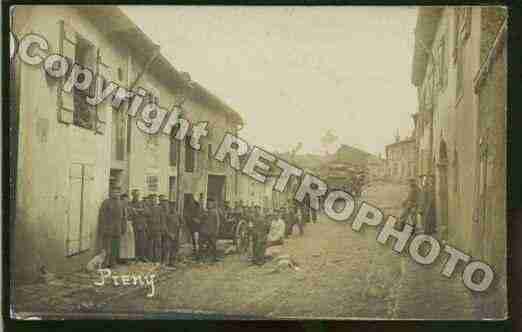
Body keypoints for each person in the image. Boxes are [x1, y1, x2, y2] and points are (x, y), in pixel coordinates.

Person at [98, 186, 126, 268]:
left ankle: (113, 263)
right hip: (108, 229)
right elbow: (102, 217)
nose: (116, 194)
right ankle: (105, 263)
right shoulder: (106, 203)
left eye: (118, 192)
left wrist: (123, 228)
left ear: (120, 193)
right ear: (111, 193)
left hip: (117, 229)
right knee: (106, 247)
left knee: (115, 247)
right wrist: (102, 229)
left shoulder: (121, 204)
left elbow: (124, 217)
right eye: (114, 192)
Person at [200, 198, 220, 262]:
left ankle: (215, 257)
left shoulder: (215, 212)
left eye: (210, 203)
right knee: (202, 244)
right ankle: (202, 257)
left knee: (213, 245)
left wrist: (216, 230)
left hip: (212, 231)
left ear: (212, 204)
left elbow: (217, 222)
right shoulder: (205, 212)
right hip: (205, 231)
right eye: (208, 203)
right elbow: (201, 220)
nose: (209, 205)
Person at [130, 189, 148, 262]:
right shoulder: (130, 203)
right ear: (132, 195)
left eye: (137, 195)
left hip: (142, 225)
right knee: (134, 242)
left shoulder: (142, 203)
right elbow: (130, 212)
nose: (136, 196)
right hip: (134, 225)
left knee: (142, 242)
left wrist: (139, 211)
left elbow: (147, 211)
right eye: (135, 195)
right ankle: (135, 256)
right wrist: (135, 211)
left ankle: (142, 256)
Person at [147, 193, 165, 263]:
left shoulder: (160, 208)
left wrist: (162, 229)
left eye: (154, 199)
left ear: (156, 200)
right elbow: (146, 218)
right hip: (150, 229)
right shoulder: (148, 208)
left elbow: (162, 219)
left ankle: (158, 260)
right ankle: (150, 260)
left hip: (158, 229)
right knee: (150, 245)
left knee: (158, 245)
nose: (153, 200)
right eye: (151, 199)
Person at [119, 193, 135, 262]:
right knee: (122, 242)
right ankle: (122, 258)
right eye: (124, 200)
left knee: (129, 242)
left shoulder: (129, 207)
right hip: (122, 225)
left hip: (129, 224)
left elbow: (133, 215)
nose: (126, 201)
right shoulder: (120, 207)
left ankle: (128, 257)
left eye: (127, 199)